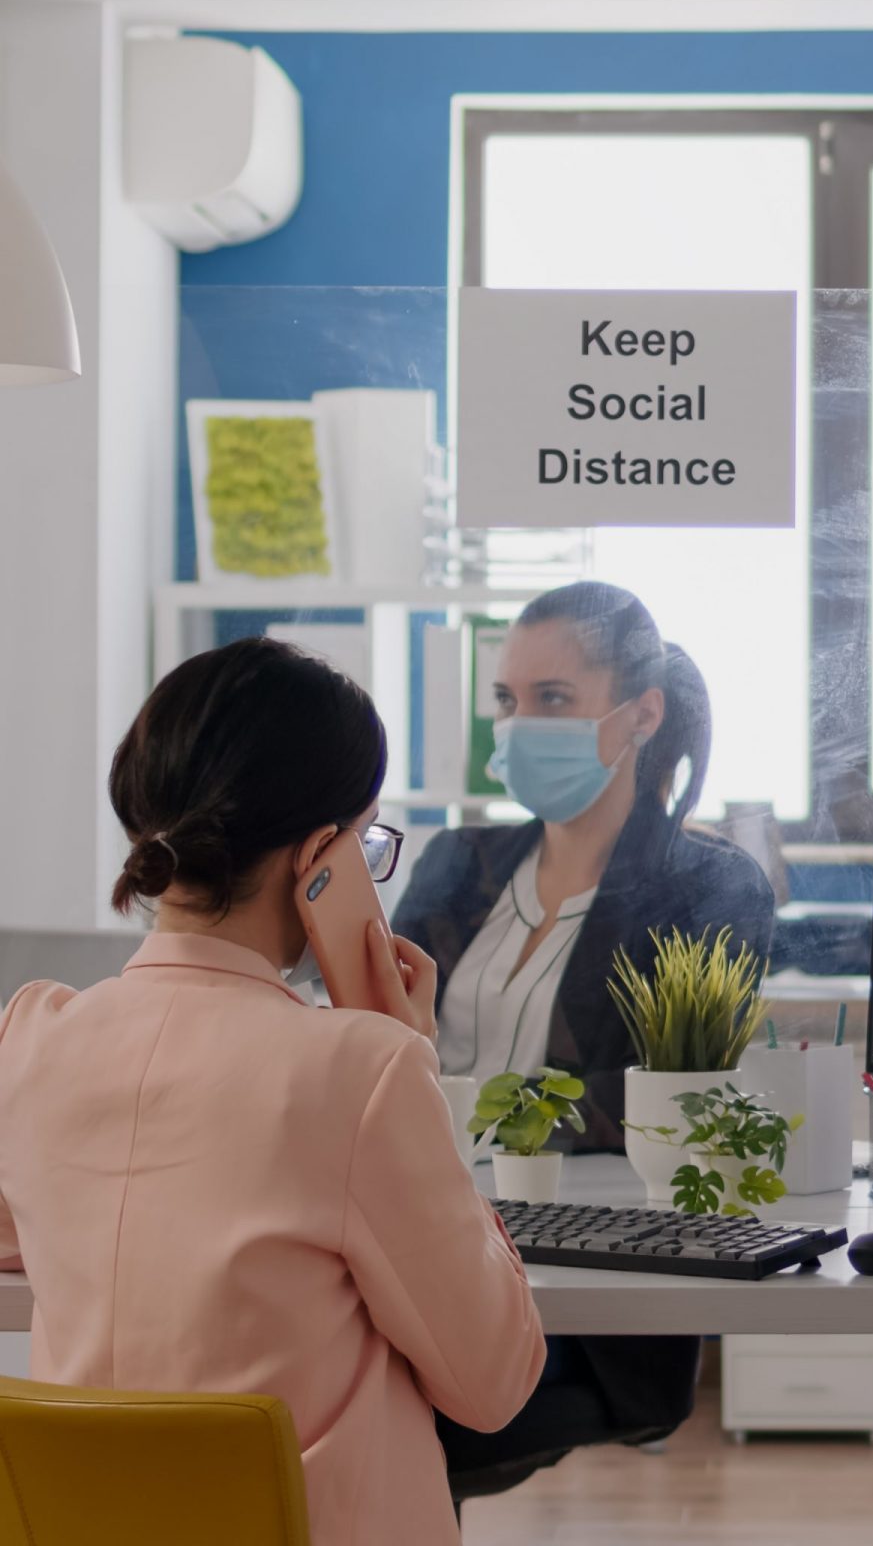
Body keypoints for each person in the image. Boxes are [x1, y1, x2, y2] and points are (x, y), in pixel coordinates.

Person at [0, 638, 545, 1546]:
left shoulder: (31, 1037)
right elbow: (494, 1384)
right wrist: (406, 1051)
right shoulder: (362, 1070)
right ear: (319, 860)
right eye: (367, 844)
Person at [393, 581, 775, 1484]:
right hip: (417, 1252)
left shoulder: (710, 891)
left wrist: (448, 1119)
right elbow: (370, 1047)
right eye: (508, 702)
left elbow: (659, 1112)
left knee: (384, 1415)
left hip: (577, 1293)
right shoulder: (459, 864)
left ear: (642, 715)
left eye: (553, 700)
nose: (520, 727)